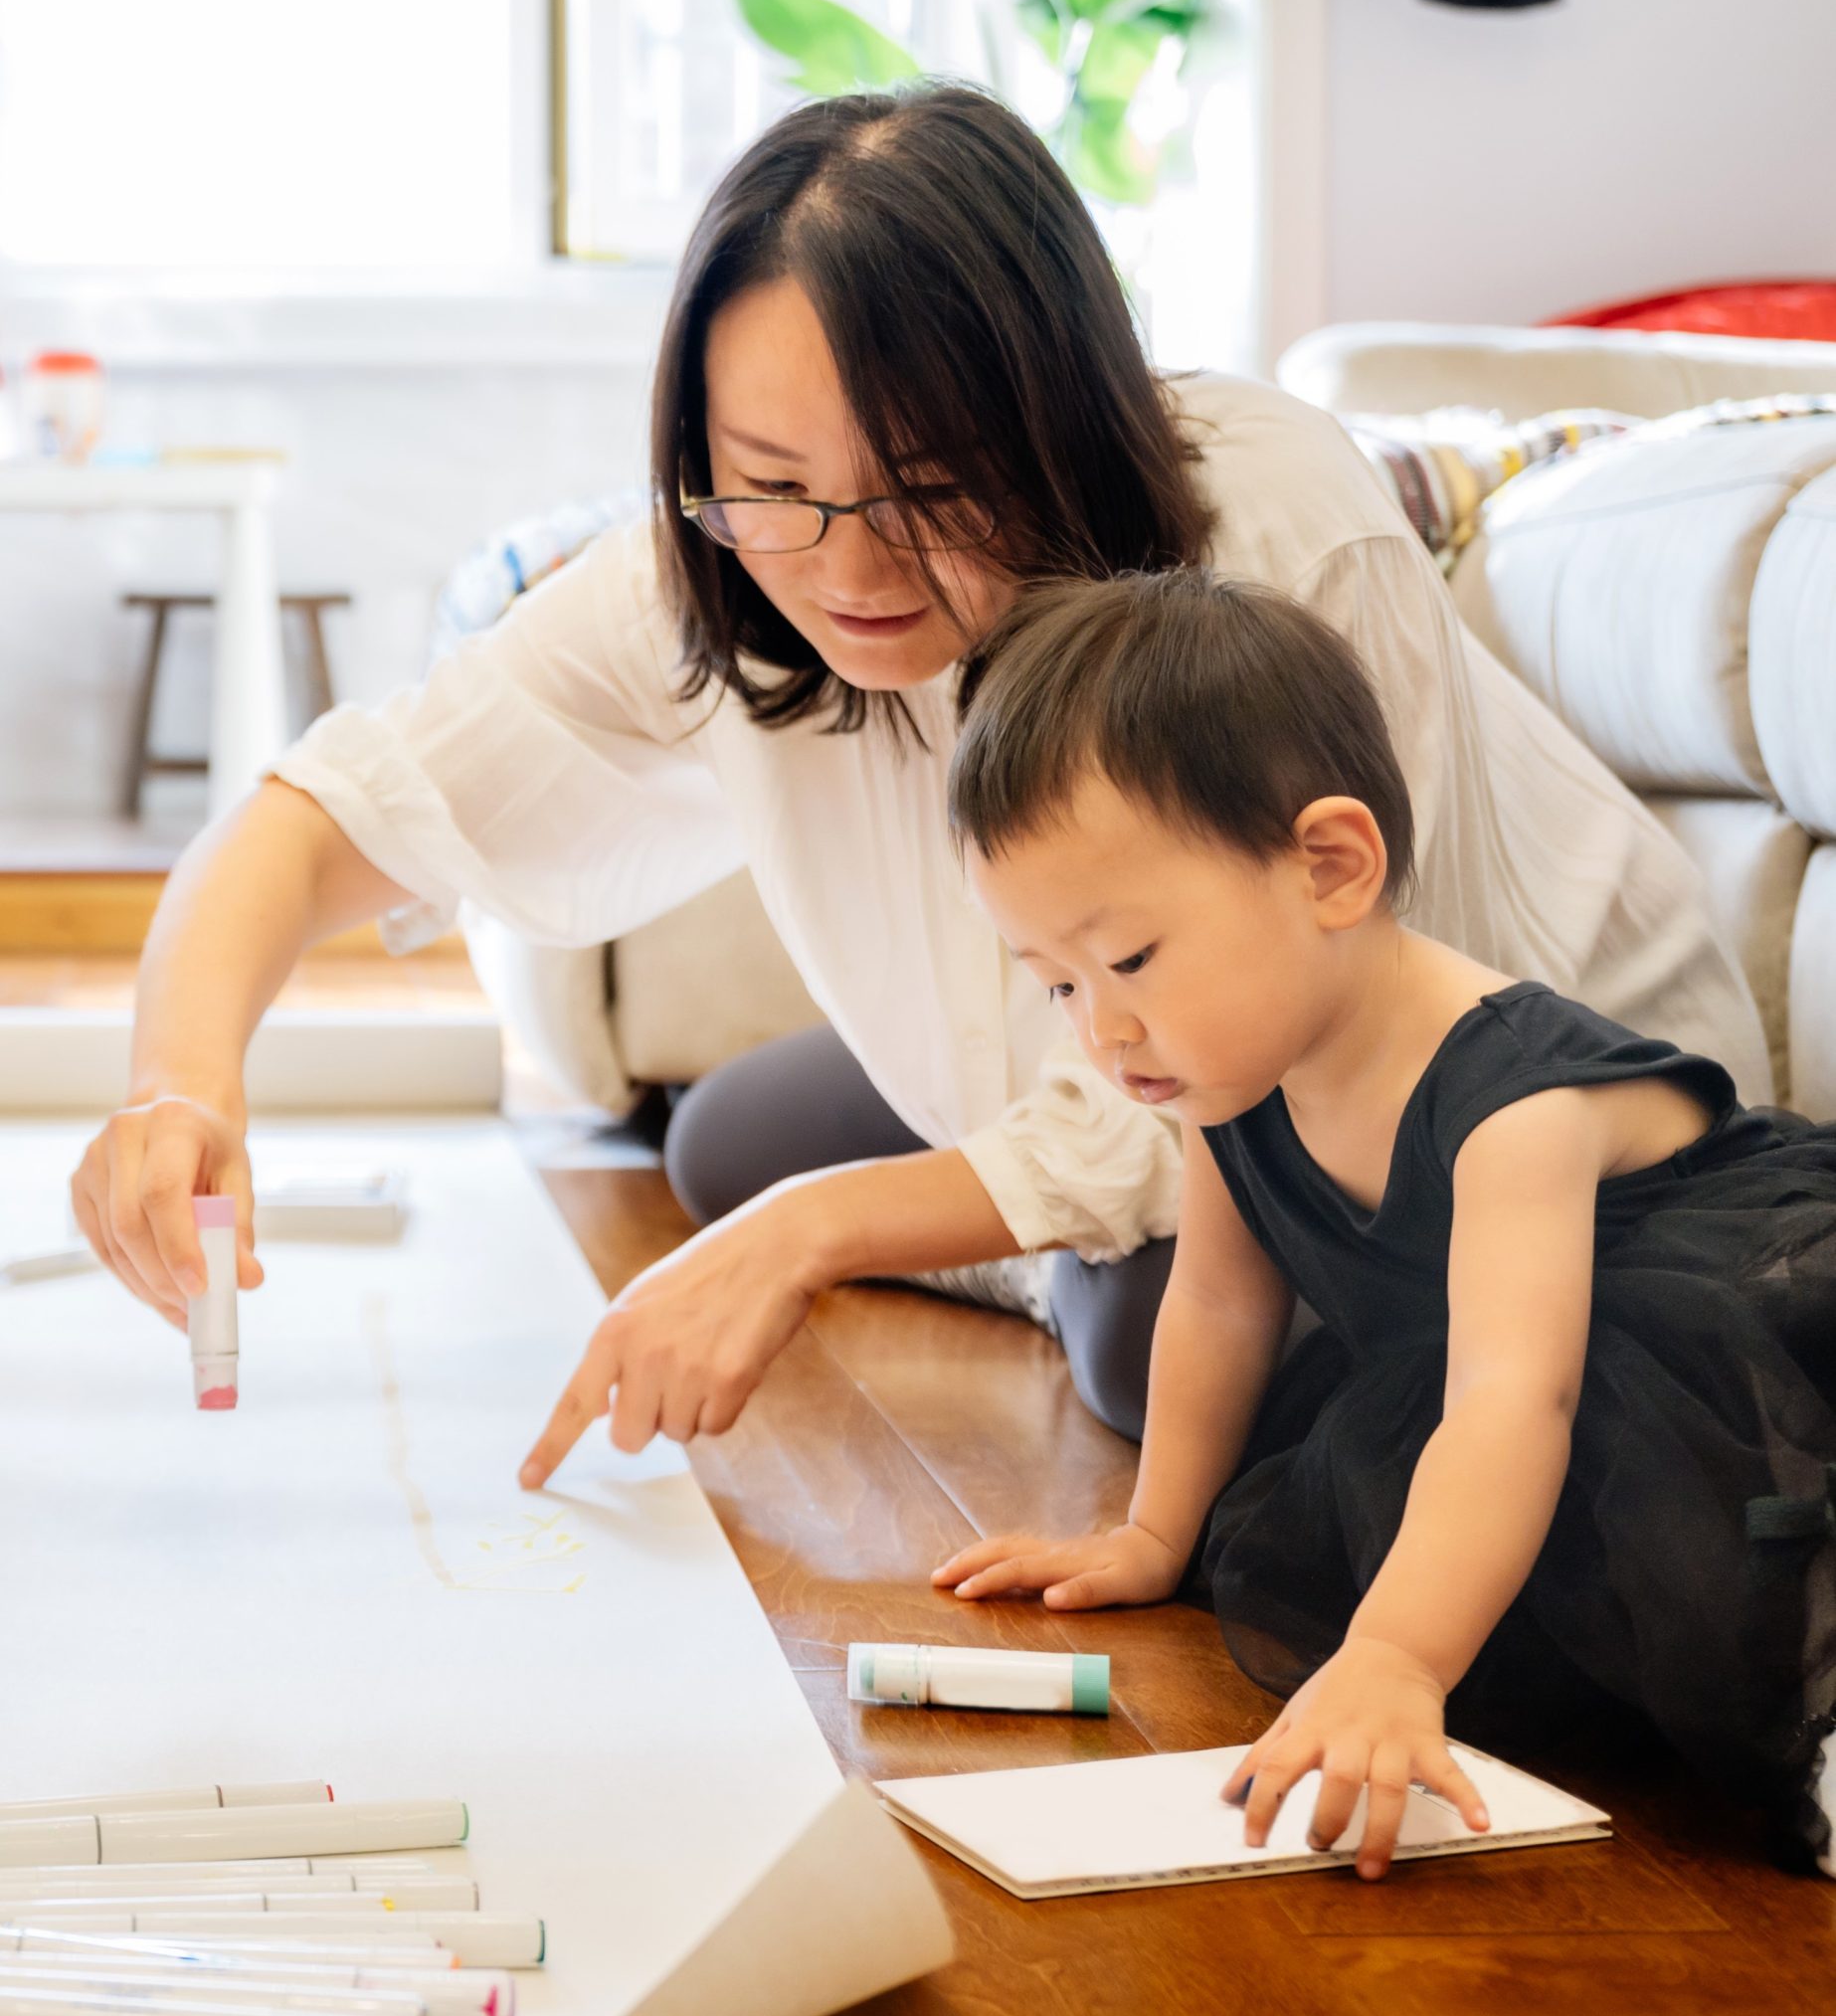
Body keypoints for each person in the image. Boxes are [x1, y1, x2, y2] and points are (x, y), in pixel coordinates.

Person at [71, 82, 1768, 1472]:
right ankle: (1017, 1201)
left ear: (1063, 414)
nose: (845, 564)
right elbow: (322, 815)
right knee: (729, 1143)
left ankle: (1042, 1237)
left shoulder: (1262, 522)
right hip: (1139, 1047)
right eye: (770, 483)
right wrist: (178, 1090)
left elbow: (1341, 1040)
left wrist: (818, 1234)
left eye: (929, 487)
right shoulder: (718, 563)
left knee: (1146, 1345)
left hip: (1433, 1101)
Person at [935, 568, 1836, 1879]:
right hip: (1505, 1380)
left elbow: (1509, 1401)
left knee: (1723, 1549)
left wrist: (1396, 1658)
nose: (1103, 1028)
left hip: (1706, 1339)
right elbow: (1220, 1304)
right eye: (1057, 982)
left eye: (1126, 960)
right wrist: (1149, 1531)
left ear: (1329, 868)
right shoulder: (1222, 1074)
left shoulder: (1504, 1101)